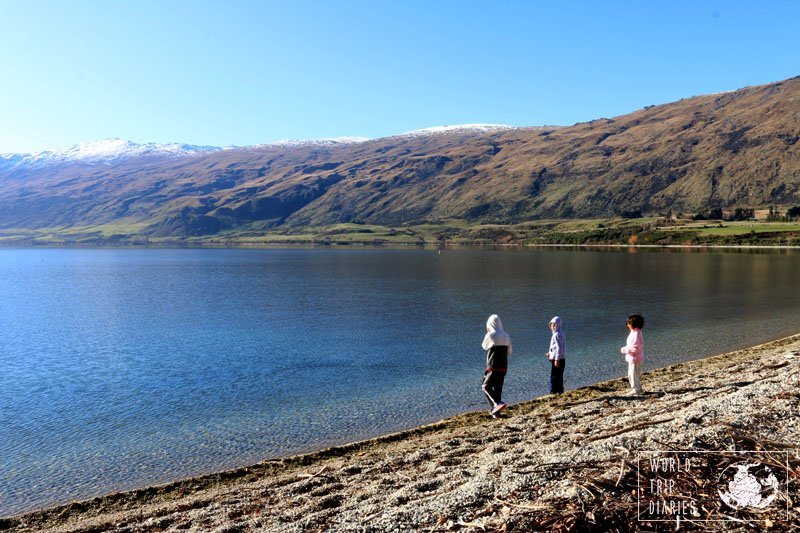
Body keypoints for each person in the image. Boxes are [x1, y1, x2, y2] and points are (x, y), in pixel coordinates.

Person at [481, 314, 512, 418]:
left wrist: (488, 333)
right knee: (498, 389)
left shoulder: (491, 335)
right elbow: (509, 352)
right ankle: (496, 412)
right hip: (504, 366)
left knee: (485, 386)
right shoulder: (506, 336)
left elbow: (484, 346)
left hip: (493, 365)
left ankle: (497, 404)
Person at [620, 314, 645, 395]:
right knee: (635, 375)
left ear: (633, 324)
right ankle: (639, 389)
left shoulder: (636, 334)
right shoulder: (636, 332)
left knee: (632, 375)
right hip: (637, 358)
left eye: (628, 323)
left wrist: (624, 350)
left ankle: (635, 390)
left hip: (635, 359)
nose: (627, 325)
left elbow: (635, 348)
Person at [546, 316, 566, 394]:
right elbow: (555, 348)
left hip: (558, 359)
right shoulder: (559, 333)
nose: (552, 327)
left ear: (558, 325)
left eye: (554, 325)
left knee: (554, 376)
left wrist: (557, 359)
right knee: (559, 376)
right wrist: (550, 353)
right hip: (560, 358)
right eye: (551, 325)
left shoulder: (556, 335)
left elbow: (559, 348)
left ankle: (553, 391)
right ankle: (560, 391)